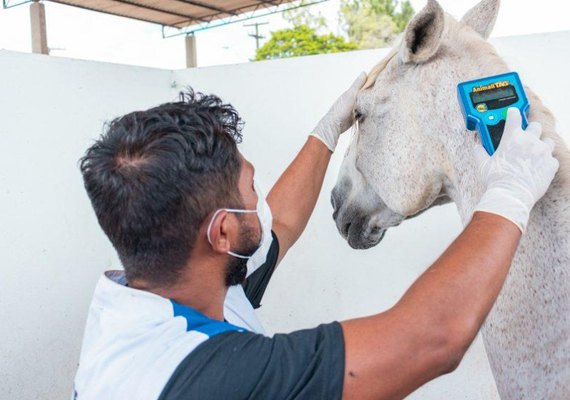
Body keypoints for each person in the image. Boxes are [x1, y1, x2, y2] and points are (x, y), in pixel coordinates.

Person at [72, 73, 559, 400]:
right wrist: (510, 193)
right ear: (220, 232)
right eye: (251, 188)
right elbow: (430, 339)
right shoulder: (204, 377)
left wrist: (329, 130)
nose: (260, 201)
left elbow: (277, 224)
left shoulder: (160, 285)